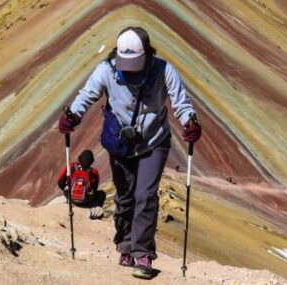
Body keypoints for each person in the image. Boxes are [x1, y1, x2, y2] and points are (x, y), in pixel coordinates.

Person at [58, 26, 201, 280]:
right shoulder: (106, 70)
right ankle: (125, 246)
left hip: (154, 141)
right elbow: (87, 95)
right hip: (120, 143)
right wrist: (73, 116)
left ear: (147, 55)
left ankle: (142, 254)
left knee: (145, 195)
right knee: (125, 197)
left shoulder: (164, 71)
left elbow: (181, 103)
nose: (128, 71)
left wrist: (191, 122)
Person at [57, 150, 106, 219]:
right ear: (92, 161)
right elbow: (94, 190)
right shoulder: (94, 172)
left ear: (79, 158)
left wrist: (68, 191)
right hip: (85, 201)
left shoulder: (71, 167)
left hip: (70, 198)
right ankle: (96, 210)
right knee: (102, 194)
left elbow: (60, 182)